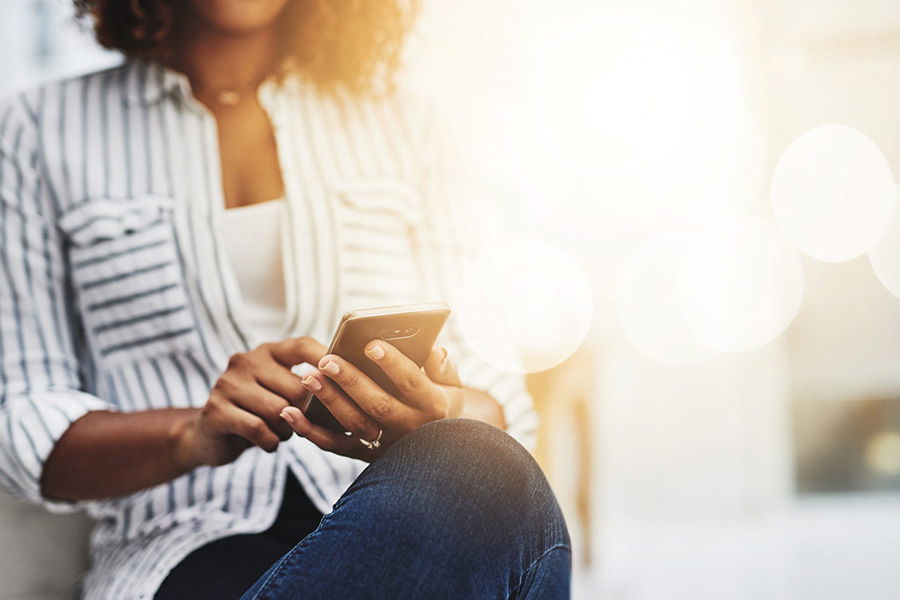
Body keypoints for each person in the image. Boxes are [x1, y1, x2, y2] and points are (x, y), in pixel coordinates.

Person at [0, 1, 570, 598]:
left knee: (485, 465)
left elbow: (501, 401)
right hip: (180, 554)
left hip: (403, 530)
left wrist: (432, 419)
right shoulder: (39, 130)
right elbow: (24, 422)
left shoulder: (408, 127)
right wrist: (189, 432)